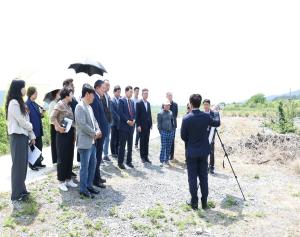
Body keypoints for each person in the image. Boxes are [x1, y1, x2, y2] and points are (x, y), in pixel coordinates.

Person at [181, 94, 220, 210]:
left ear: (191, 104)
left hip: (192, 152)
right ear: (200, 103)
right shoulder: (206, 116)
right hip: (204, 152)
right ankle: (204, 203)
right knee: (204, 178)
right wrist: (216, 112)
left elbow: (183, 136)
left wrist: (191, 142)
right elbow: (217, 123)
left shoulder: (187, 118)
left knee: (192, 178)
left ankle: (194, 203)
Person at [6, 79, 36, 202]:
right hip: (17, 137)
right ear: (18, 88)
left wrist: (31, 135)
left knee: (23, 165)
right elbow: (22, 121)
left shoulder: (20, 102)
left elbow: (25, 121)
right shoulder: (13, 103)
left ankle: (22, 190)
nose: (25, 89)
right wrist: (31, 127)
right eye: (23, 87)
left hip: (23, 137)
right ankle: (16, 194)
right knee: (18, 166)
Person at [75, 84, 102, 199]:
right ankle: (83, 189)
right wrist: (94, 133)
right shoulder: (79, 107)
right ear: (87, 94)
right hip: (85, 142)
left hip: (92, 142)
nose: (94, 97)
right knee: (84, 167)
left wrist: (98, 129)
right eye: (92, 95)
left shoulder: (89, 107)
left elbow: (94, 121)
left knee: (92, 165)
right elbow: (82, 125)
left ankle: (89, 185)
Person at [50, 87, 78, 192]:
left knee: (70, 156)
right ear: (66, 95)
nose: (72, 96)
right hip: (62, 135)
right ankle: (61, 181)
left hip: (70, 133)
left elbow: (72, 122)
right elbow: (52, 117)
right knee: (62, 158)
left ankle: (68, 178)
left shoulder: (69, 106)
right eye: (71, 94)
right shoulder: (60, 104)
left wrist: (74, 135)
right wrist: (57, 127)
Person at [91, 80, 108, 188]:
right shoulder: (95, 99)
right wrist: (99, 131)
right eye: (102, 88)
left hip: (102, 132)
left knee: (99, 157)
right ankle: (95, 180)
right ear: (97, 88)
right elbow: (96, 118)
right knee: (96, 157)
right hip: (99, 134)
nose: (104, 90)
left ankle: (98, 176)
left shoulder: (99, 98)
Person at [26, 86, 46, 171]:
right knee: (33, 148)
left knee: (39, 146)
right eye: (35, 93)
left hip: (38, 128)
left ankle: (38, 163)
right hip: (32, 129)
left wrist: (42, 114)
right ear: (31, 93)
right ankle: (32, 164)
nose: (37, 94)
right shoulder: (27, 104)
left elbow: (37, 116)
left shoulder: (35, 103)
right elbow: (27, 118)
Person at [63, 78, 79, 176]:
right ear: (66, 86)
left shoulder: (73, 97)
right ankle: (65, 173)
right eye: (71, 85)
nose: (73, 87)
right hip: (67, 127)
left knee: (71, 151)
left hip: (73, 127)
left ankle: (69, 170)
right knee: (65, 152)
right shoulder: (64, 99)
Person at [117, 86, 135, 169]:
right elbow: (120, 113)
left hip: (131, 127)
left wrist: (134, 120)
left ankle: (129, 161)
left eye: (132, 92)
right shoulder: (121, 100)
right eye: (130, 92)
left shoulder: (131, 102)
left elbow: (134, 112)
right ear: (126, 92)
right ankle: (120, 162)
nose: (132, 93)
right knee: (122, 145)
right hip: (124, 126)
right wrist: (127, 121)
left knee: (130, 145)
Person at [136, 88, 152, 164]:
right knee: (142, 142)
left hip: (148, 126)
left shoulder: (148, 103)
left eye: (147, 93)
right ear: (142, 94)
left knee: (147, 142)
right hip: (141, 126)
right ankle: (142, 157)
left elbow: (149, 114)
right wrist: (138, 125)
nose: (146, 94)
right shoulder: (139, 103)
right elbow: (137, 116)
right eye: (145, 93)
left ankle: (146, 157)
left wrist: (151, 124)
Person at [203, 99, 219, 174]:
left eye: (207, 104)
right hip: (203, 135)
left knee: (211, 150)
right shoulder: (202, 113)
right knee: (204, 150)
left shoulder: (214, 113)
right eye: (204, 104)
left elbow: (217, 122)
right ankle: (205, 166)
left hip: (212, 134)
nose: (206, 106)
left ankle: (212, 166)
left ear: (209, 105)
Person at [157, 100, 175, 167]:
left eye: (169, 105)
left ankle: (167, 160)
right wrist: (161, 132)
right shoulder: (160, 113)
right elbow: (159, 124)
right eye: (167, 105)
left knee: (169, 147)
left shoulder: (171, 112)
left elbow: (172, 121)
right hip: (163, 132)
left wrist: (173, 130)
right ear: (163, 105)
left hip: (170, 132)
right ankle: (161, 161)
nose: (168, 106)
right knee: (163, 146)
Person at [48, 89, 60, 164]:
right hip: (53, 125)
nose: (60, 94)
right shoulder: (52, 103)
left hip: (58, 124)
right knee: (54, 143)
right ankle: (55, 160)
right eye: (59, 93)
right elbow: (51, 116)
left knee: (57, 142)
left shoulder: (58, 102)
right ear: (56, 94)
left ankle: (58, 158)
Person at [102, 79, 113, 162]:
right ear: (103, 85)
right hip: (102, 121)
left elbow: (110, 109)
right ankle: (100, 155)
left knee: (107, 138)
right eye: (106, 85)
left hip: (108, 121)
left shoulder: (108, 96)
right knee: (102, 138)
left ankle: (105, 155)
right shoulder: (100, 95)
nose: (108, 87)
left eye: (109, 85)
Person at [166, 92, 178, 160]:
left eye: (170, 95)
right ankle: (166, 154)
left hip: (173, 125)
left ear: (172, 96)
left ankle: (171, 155)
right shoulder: (164, 104)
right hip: (166, 125)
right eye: (168, 96)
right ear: (166, 97)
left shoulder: (175, 104)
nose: (169, 97)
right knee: (166, 140)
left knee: (172, 140)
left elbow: (175, 115)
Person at [110, 85, 121, 158]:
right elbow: (112, 112)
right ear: (114, 92)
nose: (119, 93)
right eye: (118, 92)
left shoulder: (120, 100)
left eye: (120, 92)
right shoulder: (111, 100)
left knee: (118, 138)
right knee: (113, 138)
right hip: (114, 123)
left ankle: (117, 151)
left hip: (119, 123)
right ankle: (113, 152)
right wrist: (119, 117)